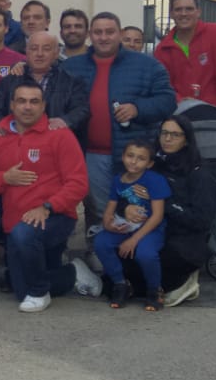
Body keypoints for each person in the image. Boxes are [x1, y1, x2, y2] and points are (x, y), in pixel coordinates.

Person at [0, 80, 95, 313]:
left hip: (55, 216)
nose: (27, 107)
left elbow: (79, 184)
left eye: (34, 101)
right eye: (21, 101)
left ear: (43, 106)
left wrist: (47, 207)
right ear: (12, 105)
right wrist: (4, 178)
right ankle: (73, 273)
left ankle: (40, 292)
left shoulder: (60, 135)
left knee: (26, 243)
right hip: (15, 224)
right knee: (20, 289)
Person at [60, 12, 176, 233]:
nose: (103, 37)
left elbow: (168, 101)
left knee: (136, 211)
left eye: (109, 32)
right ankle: (99, 248)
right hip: (90, 154)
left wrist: (138, 109)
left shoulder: (148, 65)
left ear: (120, 34)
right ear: (90, 35)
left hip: (133, 155)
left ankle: (134, 250)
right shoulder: (71, 66)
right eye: (98, 32)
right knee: (100, 212)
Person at [148, 114, 216, 308]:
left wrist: (166, 207)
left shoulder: (199, 172)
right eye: (164, 133)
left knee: (157, 260)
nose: (168, 139)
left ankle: (183, 281)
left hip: (184, 240)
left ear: (186, 139)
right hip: (154, 231)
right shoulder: (153, 165)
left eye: (175, 135)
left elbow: (203, 219)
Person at [95, 139, 171, 310]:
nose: (134, 161)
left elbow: (157, 216)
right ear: (123, 157)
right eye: (130, 156)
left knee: (145, 254)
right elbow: (110, 207)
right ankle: (121, 284)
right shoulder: (118, 180)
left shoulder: (155, 180)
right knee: (101, 242)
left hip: (150, 229)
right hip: (125, 225)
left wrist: (134, 240)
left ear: (150, 164)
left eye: (141, 158)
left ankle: (154, 289)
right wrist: (107, 225)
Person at [154, 0, 216, 132]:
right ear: (171, 14)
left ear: (198, 12)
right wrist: (181, 101)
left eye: (189, 9)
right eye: (178, 9)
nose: (183, 14)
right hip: (181, 115)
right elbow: (164, 86)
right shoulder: (163, 49)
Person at [0, 32, 88, 136]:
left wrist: (66, 120)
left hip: (55, 140)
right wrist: (0, 124)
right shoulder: (10, 80)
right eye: (34, 48)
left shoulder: (71, 81)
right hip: (17, 140)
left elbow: (81, 110)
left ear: (56, 53)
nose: (39, 54)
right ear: (26, 52)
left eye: (46, 49)